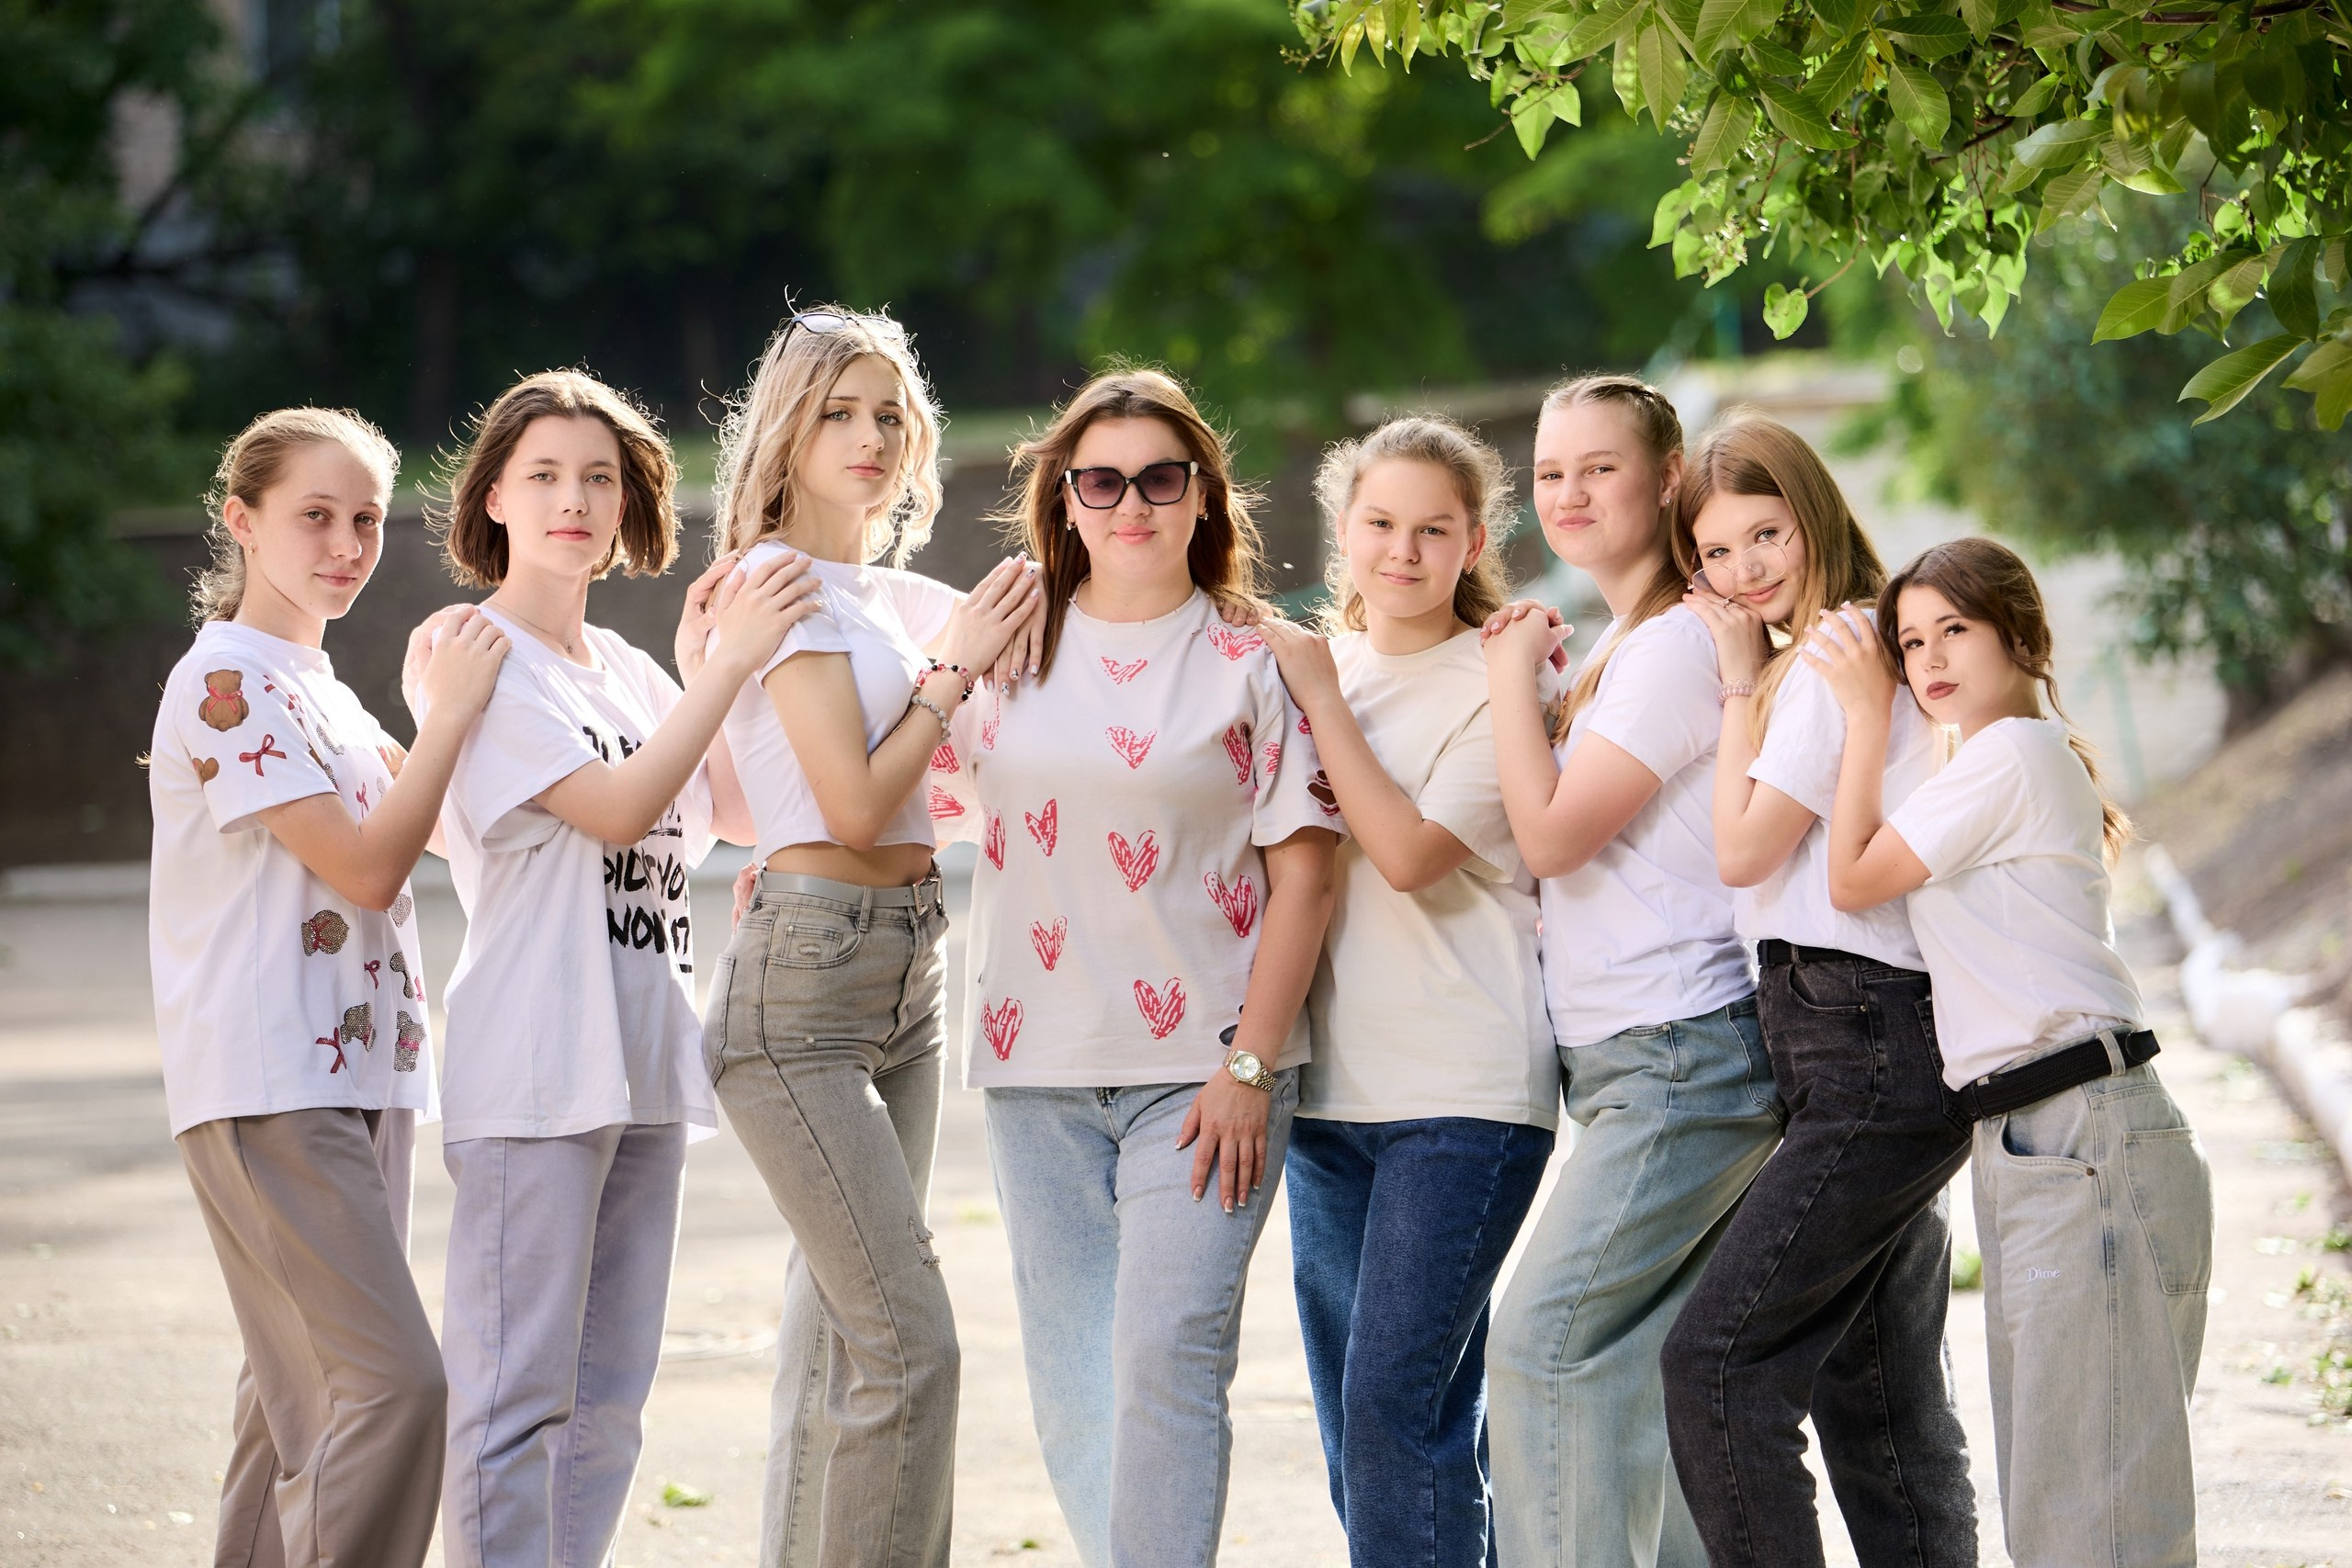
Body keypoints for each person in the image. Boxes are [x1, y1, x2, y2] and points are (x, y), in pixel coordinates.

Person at [933, 367, 1341, 1568]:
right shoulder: (1001, 645)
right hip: (1034, 1066)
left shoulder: (1251, 659)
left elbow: (1307, 877)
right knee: (1074, 1382)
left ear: (1203, 496)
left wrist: (1252, 1067)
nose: (1131, 504)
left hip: (1207, 1071)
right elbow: (901, 784)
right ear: (1064, 498)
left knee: (1168, 1355)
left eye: (1160, 479)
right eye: (1100, 480)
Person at [421, 369, 820, 1568]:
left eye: (600, 476)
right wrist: (717, 671)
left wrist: (715, 659)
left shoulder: (635, 673)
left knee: (607, 1400)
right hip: (537, 1067)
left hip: (645, 1063)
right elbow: (615, 806)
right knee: (512, 1394)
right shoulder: (468, 650)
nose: (574, 499)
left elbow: (733, 811)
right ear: (493, 495)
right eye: (543, 473)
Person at [698, 306, 1040, 1568]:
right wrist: (951, 674)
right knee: (910, 1344)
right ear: (785, 429)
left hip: (907, 963)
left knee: (841, 1338)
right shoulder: (775, 582)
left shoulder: (881, 593)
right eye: (839, 410)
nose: (871, 436)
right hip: (804, 979)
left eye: (889, 412)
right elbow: (849, 799)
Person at [1803, 536, 2213, 1567]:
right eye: (1909, 642)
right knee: (2071, 1502)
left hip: (2081, 1133)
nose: (1929, 659)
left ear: (2020, 635)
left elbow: (1851, 877)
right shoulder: (1989, 758)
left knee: (2096, 1522)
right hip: (2048, 1136)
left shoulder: (2011, 755)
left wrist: (1861, 714)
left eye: (1955, 630)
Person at [149, 406, 509, 1568]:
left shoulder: (330, 695)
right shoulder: (226, 684)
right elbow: (368, 863)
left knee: (291, 1400)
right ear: (240, 522)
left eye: (363, 518)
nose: (347, 543)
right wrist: (448, 719)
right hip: (270, 1081)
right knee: (394, 1391)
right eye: (315, 516)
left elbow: (455, 835)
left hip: (365, 1071)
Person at [1658, 414, 1978, 1568]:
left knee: (1716, 1367)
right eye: (1717, 553)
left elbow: (1743, 852)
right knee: (1882, 1410)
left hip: (1866, 1041)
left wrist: (1739, 684)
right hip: (1849, 1036)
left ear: (1814, 512)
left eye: (1765, 532)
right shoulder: (1843, 646)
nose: (1745, 570)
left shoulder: (1833, 651)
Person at [1478, 377, 1783, 1568]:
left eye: (1599, 467)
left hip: (1680, 1057)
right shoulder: (1629, 644)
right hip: (1646, 1059)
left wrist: (1512, 682)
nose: (1568, 492)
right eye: (1551, 472)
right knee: (1641, 1378)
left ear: (1666, 477)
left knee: (1544, 1340)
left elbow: (1552, 834)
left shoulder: (1665, 647)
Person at [1256, 415, 1555, 1567]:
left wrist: (1322, 699)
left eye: (1434, 529)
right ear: (1344, 530)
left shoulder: (1501, 675)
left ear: (1473, 539)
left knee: (1394, 1410)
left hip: (1464, 1098)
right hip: (1328, 1100)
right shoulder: (1305, 670)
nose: (1403, 549)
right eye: (1381, 522)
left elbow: (1412, 853)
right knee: (1361, 1427)